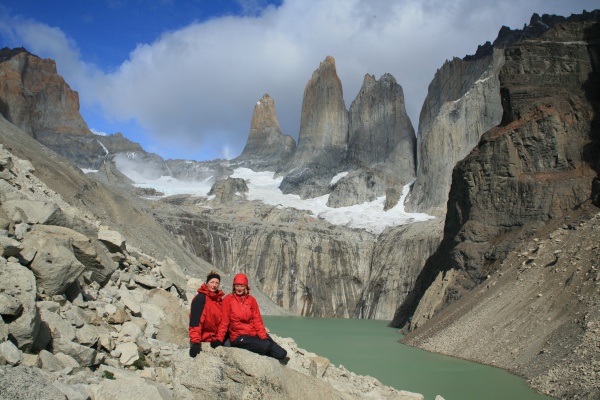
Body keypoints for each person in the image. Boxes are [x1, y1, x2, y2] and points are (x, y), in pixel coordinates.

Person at [212, 273, 288, 362]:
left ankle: (262, 347)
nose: (239, 289)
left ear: (245, 287)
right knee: (266, 345)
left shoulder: (251, 300)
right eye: (237, 286)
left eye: (241, 286)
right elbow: (224, 322)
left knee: (282, 354)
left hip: (252, 333)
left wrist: (263, 336)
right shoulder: (228, 299)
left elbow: (257, 320)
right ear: (233, 287)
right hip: (238, 336)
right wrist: (219, 339)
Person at [188, 270, 224, 357]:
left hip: (215, 338)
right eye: (212, 282)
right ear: (207, 283)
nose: (214, 285)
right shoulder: (200, 299)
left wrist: (219, 338)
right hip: (205, 338)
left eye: (217, 283)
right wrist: (195, 342)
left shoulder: (219, 300)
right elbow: (195, 322)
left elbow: (223, 322)